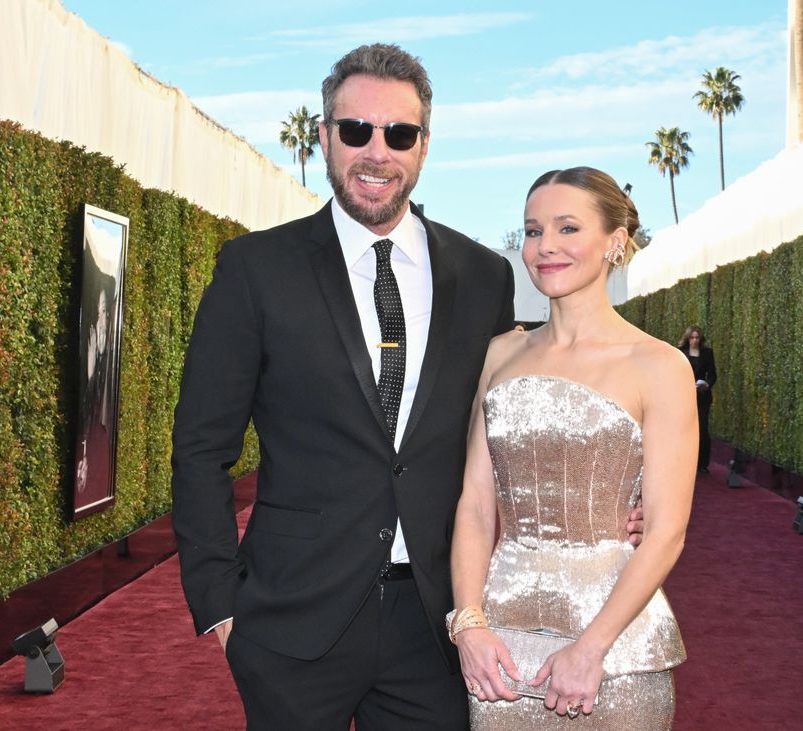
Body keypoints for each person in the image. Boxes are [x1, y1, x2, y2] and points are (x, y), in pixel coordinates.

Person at [171, 45, 644, 730]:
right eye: (356, 130)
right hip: (290, 622)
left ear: (423, 146)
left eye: (399, 133)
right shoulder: (255, 269)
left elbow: (518, 416)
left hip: (439, 624)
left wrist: (613, 503)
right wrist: (221, 605)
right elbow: (199, 447)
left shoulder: (483, 276)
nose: (377, 151)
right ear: (325, 135)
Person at [449, 167, 695, 729]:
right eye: (533, 231)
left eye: (567, 227)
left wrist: (591, 649)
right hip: (500, 653)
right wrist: (469, 625)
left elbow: (665, 531)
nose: (546, 247)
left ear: (615, 240)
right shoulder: (499, 356)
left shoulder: (659, 366)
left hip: (616, 652)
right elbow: (475, 505)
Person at [677, 325, 717, 473]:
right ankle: (685, 462)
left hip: (702, 397)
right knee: (685, 429)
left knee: (703, 429)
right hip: (685, 396)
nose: (694, 340)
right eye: (692, 337)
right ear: (688, 338)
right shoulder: (680, 353)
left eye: (697, 337)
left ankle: (702, 464)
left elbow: (713, 375)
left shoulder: (707, 353)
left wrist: (707, 385)